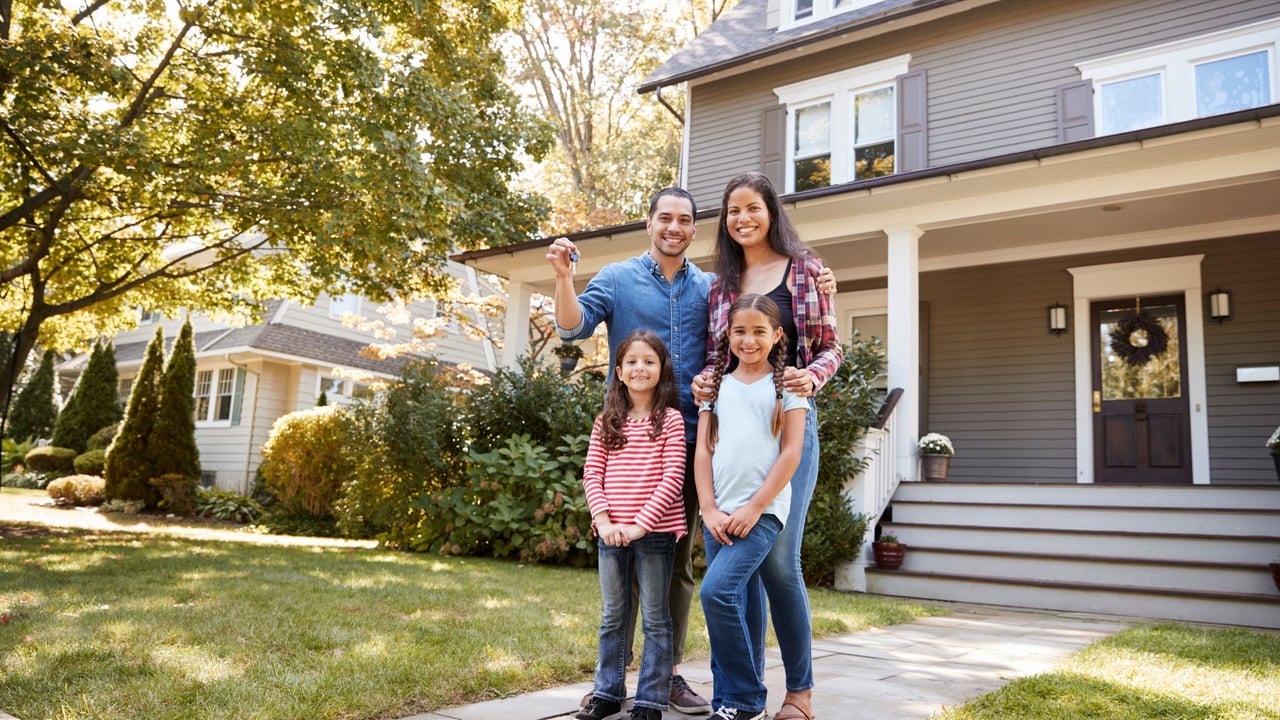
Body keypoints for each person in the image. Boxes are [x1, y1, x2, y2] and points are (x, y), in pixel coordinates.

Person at [548, 187, 835, 714]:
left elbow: (805, 341)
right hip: (650, 440)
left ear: (697, 229)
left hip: (720, 435)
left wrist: (820, 305)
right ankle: (624, 683)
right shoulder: (623, 278)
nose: (674, 227)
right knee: (644, 567)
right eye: (665, 218)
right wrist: (565, 277)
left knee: (693, 565)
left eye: (685, 219)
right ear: (650, 222)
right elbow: (571, 328)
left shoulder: (722, 284)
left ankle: (675, 677)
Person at [693, 172, 843, 720]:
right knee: (740, 570)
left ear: (770, 211)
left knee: (780, 565)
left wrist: (811, 378)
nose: (742, 219)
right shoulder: (719, 284)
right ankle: (743, 694)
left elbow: (831, 347)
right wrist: (703, 384)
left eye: (752, 208)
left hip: (787, 425)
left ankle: (799, 693)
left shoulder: (805, 270)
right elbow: (716, 357)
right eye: (733, 211)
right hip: (734, 432)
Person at [695, 294, 807, 720]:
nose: (748, 339)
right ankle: (727, 702)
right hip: (718, 514)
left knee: (717, 592)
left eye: (759, 331)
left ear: (777, 336)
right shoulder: (714, 386)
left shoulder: (788, 388)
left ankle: (746, 699)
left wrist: (755, 508)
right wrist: (708, 508)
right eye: (740, 330)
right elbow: (704, 451)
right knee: (733, 601)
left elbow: (791, 453)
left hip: (761, 515)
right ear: (728, 333)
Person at [578, 330, 689, 720]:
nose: (640, 367)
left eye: (649, 361)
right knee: (614, 616)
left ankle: (651, 700)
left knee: (656, 618)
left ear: (661, 370)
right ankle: (607, 693)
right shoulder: (606, 421)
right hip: (611, 533)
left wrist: (641, 525)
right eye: (632, 362)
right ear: (620, 372)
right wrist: (604, 520)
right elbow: (592, 473)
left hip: (655, 533)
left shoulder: (671, 420)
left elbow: (673, 477)